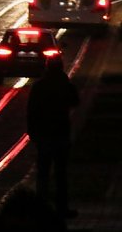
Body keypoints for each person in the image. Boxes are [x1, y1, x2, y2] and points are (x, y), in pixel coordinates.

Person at [27, 57, 80, 218]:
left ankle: (41, 208)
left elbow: (31, 111)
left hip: (44, 135)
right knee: (61, 174)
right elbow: (75, 101)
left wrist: (32, 132)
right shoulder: (65, 84)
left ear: (47, 67)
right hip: (60, 134)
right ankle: (61, 208)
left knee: (43, 173)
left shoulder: (39, 86)